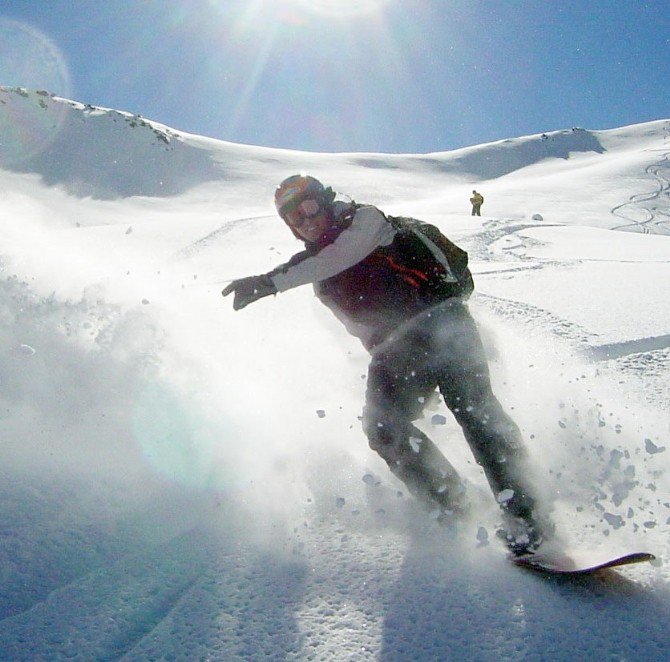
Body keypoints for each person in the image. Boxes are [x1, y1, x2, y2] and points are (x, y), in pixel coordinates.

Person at [222, 174, 548, 555]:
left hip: (444, 320)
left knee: (475, 410)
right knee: (381, 426)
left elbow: (337, 255)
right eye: (295, 218)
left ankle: (530, 520)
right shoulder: (320, 275)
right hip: (397, 349)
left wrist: (269, 282)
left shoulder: (365, 222)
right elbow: (359, 325)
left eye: (310, 208)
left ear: (326, 202)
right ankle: (458, 507)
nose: (307, 220)